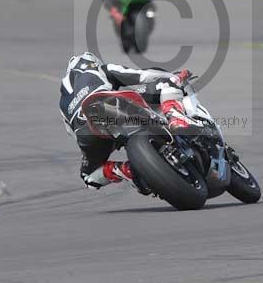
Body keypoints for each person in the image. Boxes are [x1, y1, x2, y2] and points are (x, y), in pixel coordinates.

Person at [59, 52, 195, 191]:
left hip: (87, 132)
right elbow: (141, 75)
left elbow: (72, 133)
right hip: (108, 105)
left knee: (89, 177)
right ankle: (176, 119)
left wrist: (90, 148)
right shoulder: (100, 69)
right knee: (168, 84)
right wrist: (173, 76)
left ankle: (127, 170)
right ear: (92, 62)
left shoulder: (63, 101)